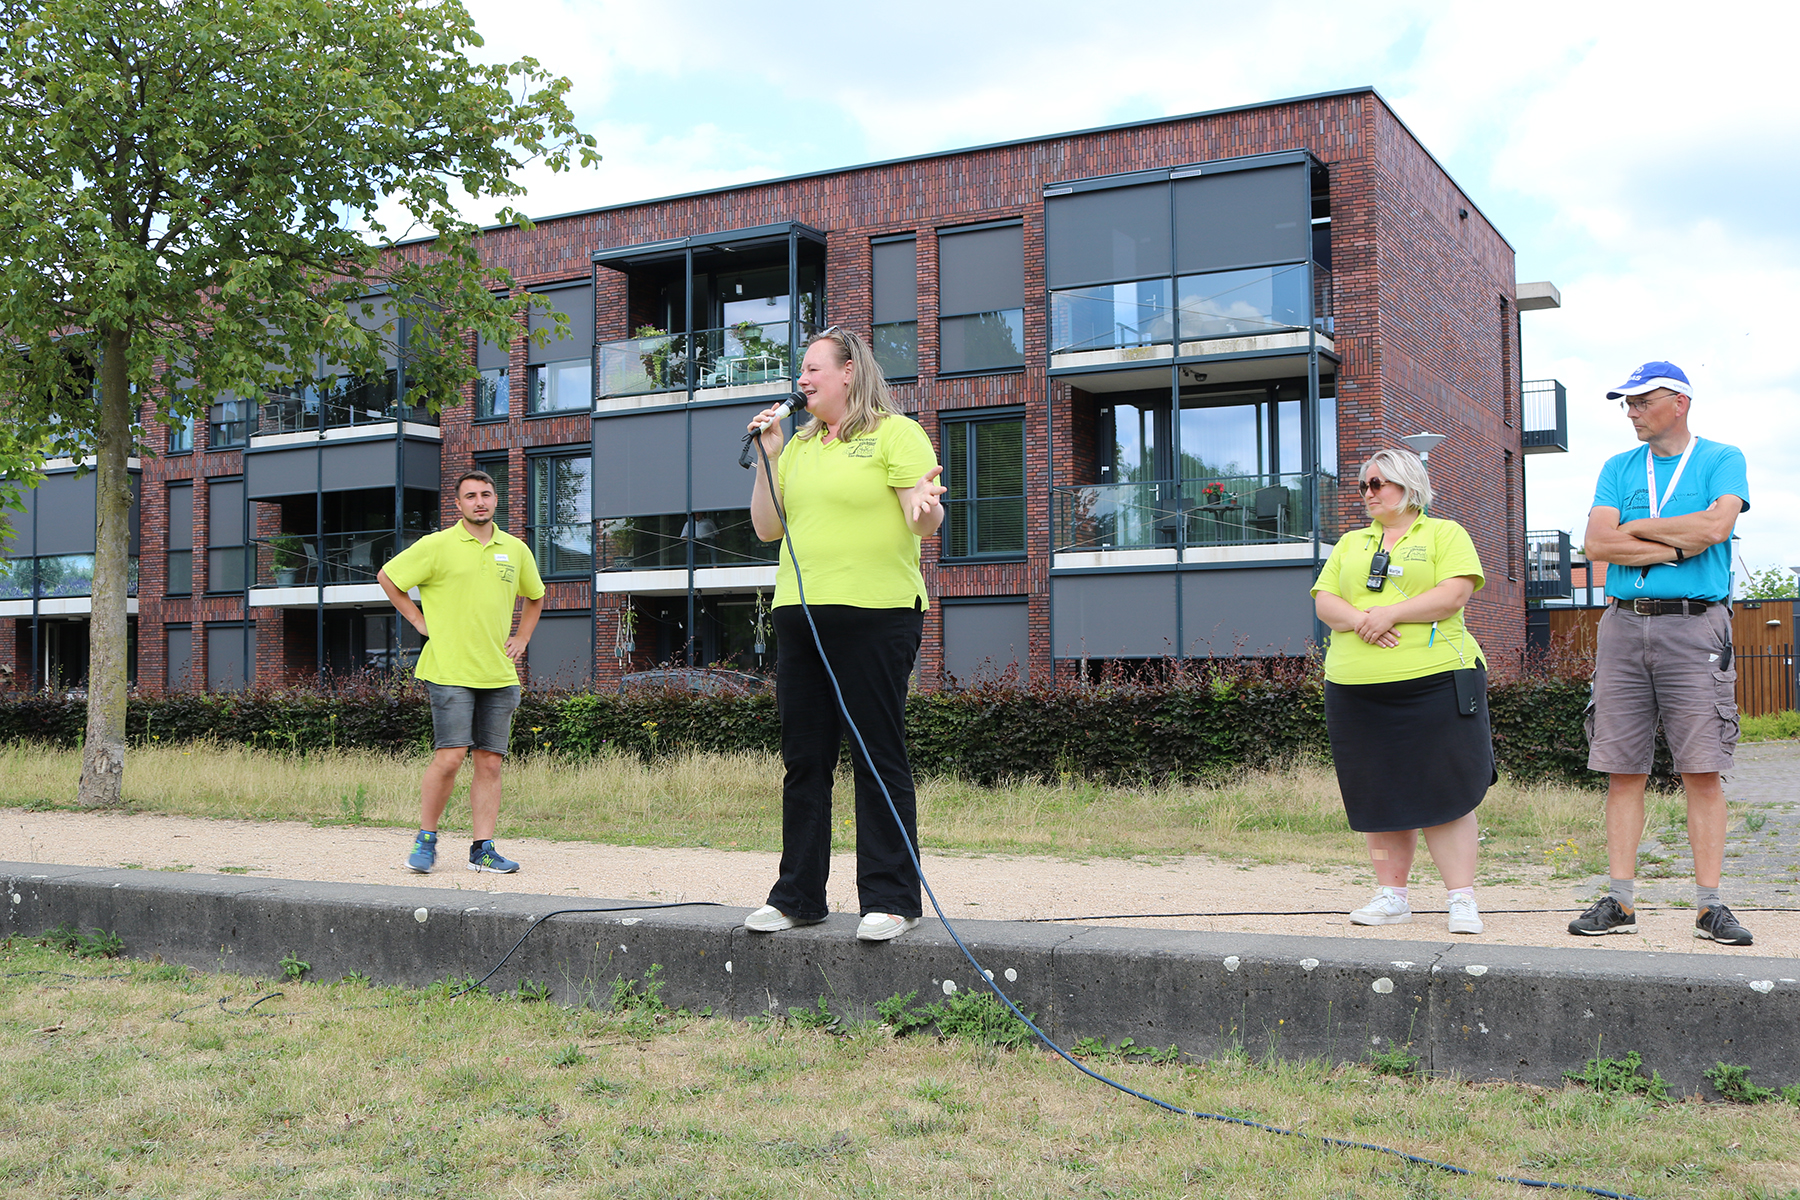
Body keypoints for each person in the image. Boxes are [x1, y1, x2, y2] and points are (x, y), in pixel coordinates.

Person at [741, 326, 945, 942]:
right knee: (805, 759)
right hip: (800, 615)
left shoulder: (896, 433)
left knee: (876, 753)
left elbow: (924, 517)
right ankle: (798, 896)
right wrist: (769, 456)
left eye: (813, 368)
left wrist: (926, 506)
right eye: (801, 371)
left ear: (849, 370)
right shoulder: (798, 446)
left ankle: (891, 899)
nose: (801, 380)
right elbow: (767, 528)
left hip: (878, 614)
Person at [1570, 361, 1751, 945]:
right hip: (1623, 625)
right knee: (1622, 770)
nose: (1631, 411)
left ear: (1679, 402)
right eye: (1627, 403)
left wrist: (1637, 530)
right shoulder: (1617, 467)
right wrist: (1674, 545)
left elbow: (1715, 530)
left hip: (1695, 626)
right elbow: (1596, 542)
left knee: (1702, 769)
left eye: (1642, 401)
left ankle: (1709, 907)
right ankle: (1620, 901)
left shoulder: (1722, 459)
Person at [1313, 448, 1494, 935]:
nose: (1367, 493)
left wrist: (1390, 614)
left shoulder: (1445, 533)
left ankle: (1461, 899)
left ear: (1409, 486)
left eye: (1378, 484)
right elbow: (1325, 600)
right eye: (1363, 485)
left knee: (1446, 789)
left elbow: (1454, 594)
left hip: (1435, 679)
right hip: (1355, 685)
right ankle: (1392, 896)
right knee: (1379, 792)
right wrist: (1362, 621)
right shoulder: (1351, 542)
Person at [378, 470, 544, 875]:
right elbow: (388, 577)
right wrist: (418, 622)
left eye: (486, 494)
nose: (479, 502)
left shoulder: (516, 549)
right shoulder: (436, 545)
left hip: (498, 674)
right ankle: (426, 839)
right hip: (449, 669)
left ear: (496, 500)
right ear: (458, 504)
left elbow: (535, 596)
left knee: (490, 763)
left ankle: (482, 850)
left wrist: (522, 638)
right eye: (470, 496)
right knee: (451, 757)